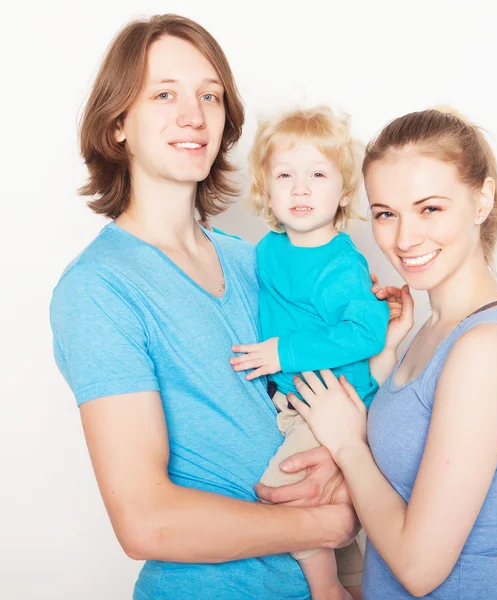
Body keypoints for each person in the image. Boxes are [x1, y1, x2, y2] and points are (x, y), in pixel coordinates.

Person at [49, 14, 357, 600]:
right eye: (165, 94)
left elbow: (327, 392)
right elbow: (145, 520)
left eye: (209, 96)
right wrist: (328, 522)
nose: (194, 115)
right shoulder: (98, 289)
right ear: (117, 125)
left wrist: (345, 463)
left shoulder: (256, 261)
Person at [285, 108, 497, 599]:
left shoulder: (487, 349)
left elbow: (420, 568)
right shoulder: (431, 333)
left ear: (482, 200)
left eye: (430, 208)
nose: (404, 239)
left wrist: (348, 447)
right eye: (386, 213)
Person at [228, 106, 391, 599]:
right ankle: (356, 585)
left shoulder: (343, 262)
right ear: (266, 190)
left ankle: (327, 591)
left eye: (318, 174)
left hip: (332, 402)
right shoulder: (267, 251)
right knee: (320, 498)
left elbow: (367, 332)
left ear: (343, 193)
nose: (300, 189)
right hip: (293, 400)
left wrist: (284, 352)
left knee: (287, 493)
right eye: (285, 175)